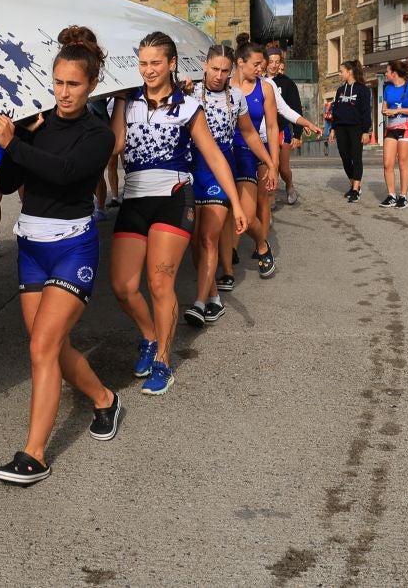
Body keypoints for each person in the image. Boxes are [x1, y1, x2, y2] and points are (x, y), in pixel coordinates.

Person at [0, 25, 120, 485]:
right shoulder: (37, 123)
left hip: (72, 248)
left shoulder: (98, 134)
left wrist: (16, 145)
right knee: (51, 347)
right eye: (58, 83)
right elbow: (6, 185)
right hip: (31, 248)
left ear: (92, 85)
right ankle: (103, 397)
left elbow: (66, 175)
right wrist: (18, 142)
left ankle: (34, 454)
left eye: (74, 85)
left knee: (42, 346)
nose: (63, 93)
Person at [110, 31, 248, 397]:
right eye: (142, 63)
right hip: (135, 196)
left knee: (159, 282)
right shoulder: (128, 101)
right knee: (123, 286)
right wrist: (121, 101)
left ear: (172, 64)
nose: (148, 70)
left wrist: (235, 203)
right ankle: (149, 336)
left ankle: (164, 362)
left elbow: (215, 155)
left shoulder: (188, 106)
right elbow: (117, 145)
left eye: (156, 62)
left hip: (174, 195)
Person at [184, 45, 272, 326]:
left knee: (209, 236)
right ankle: (212, 296)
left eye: (224, 70)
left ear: (231, 69)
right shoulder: (188, 91)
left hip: (221, 170)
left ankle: (199, 303)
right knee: (195, 241)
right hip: (191, 168)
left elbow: (249, 134)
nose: (219, 76)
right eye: (214, 69)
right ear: (205, 65)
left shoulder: (236, 97)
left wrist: (269, 162)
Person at [227, 44, 281, 280]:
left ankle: (262, 244)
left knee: (249, 216)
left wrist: (274, 165)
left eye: (263, 64)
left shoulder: (266, 88)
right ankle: (229, 257)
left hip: (253, 152)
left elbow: (271, 127)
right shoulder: (224, 85)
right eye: (256, 64)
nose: (261, 68)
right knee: (225, 211)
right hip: (226, 154)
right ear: (240, 62)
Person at [379, 60, 408, 209]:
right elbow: (384, 107)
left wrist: (398, 110)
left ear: (394, 73)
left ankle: (403, 197)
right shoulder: (387, 88)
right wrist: (385, 111)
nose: (385, 73)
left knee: (403, 162)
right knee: (387, 164)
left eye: (387, 71)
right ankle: (391, 195)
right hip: (391, 127)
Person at [266, 50, 307, 205]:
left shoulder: (288, 83)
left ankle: (289, 186)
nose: (274, 65)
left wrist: (298, 133)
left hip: (282, 129)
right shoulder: (259, 81)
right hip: (263, 131)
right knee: (268, 166)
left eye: (277, 61)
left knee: (282, 168)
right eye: (271, 61)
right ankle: (270, 197)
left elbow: (295, 108)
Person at [331, 61, 373, 202]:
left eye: (341, 71)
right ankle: (352, 183)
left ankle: (355, 189)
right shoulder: (339, 91)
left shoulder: (363, 90)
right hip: (341, 128)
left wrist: (365, 131)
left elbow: (366, 112)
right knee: (345, 157)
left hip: (357, 128)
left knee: (356, 157)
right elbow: (335, 111)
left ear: (350, 71)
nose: (339, 74)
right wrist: (333, 129)